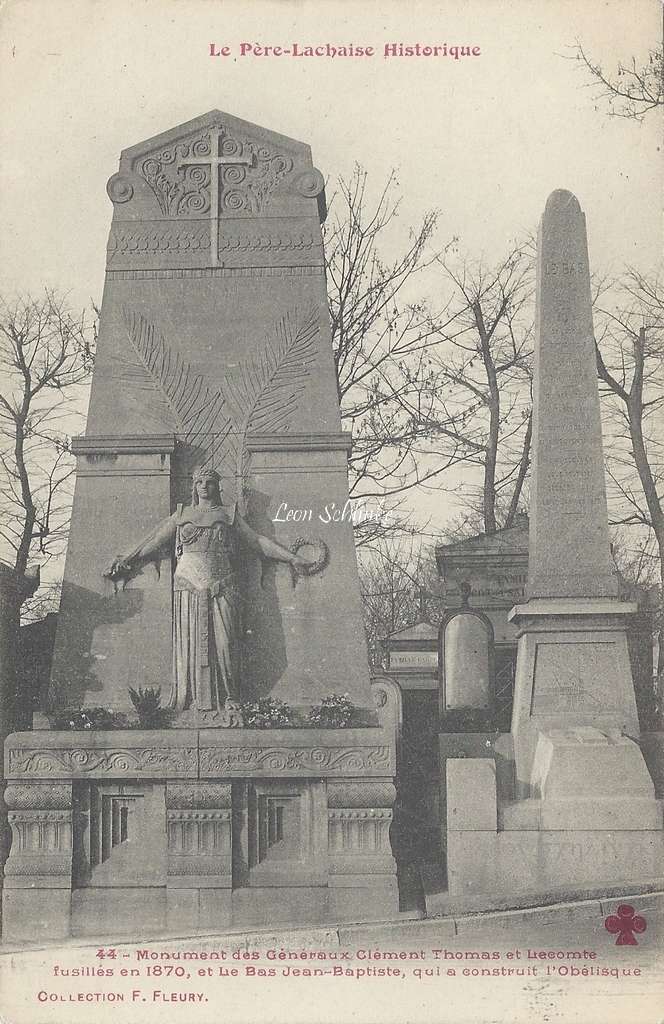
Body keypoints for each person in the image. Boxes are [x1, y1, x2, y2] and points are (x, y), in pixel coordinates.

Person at [105, 466, 311, 712]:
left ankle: (229, 697)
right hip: (187, 586)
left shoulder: (229, 514)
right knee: (190, 645)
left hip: (222, 586)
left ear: (217, 487)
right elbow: (156, 541)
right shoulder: (182, 514)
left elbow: (258, 543)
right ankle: (190, 698)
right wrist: (128, 560)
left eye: (209, 482)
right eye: (200, 482)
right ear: (194, 486)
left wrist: (290, 558)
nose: (204, 486)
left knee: (225, 645)